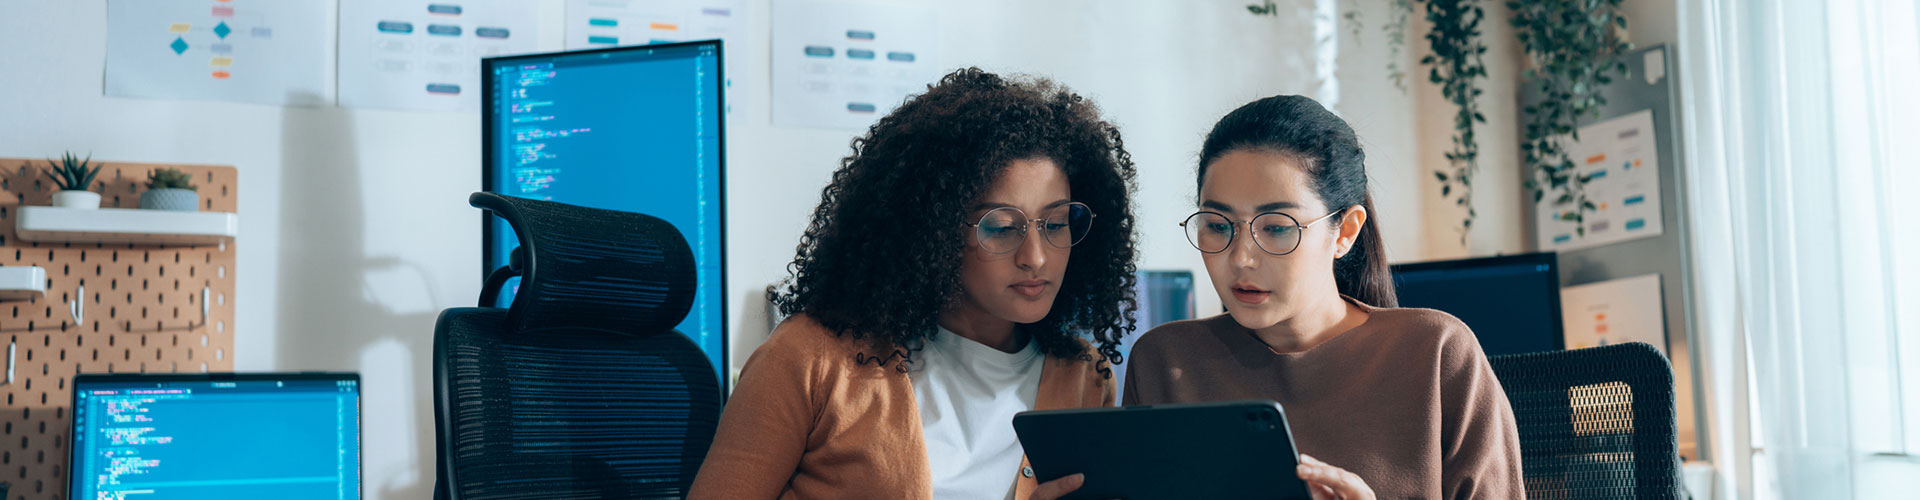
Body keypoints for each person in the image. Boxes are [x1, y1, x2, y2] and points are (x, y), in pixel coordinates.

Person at [689, 68, 1139, 500]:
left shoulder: (1084, 377)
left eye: (1057, 224)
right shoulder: (810, 359)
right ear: (933, 231)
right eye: (1002, 228)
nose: (1036, 257)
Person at [1122, 95, 1525, 500]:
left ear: (1345, 232)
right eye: (1217, 225)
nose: (1241, 258)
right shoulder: (1165, 362)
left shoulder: (1437, 353)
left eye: (1277, 228)